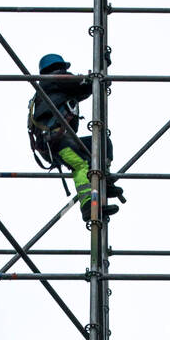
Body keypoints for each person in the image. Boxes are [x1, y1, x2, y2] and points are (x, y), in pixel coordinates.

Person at [27, 52, 124, 222]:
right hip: (56, 140)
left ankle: (104, 181)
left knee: (102, 142)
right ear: (59, 67)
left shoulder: (52, 88)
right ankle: (89, 206)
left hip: (59, 139)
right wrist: (97, 76)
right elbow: (83, 85)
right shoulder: (56, 80)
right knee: (81, 164)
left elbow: (83, 90)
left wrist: (97, 77)